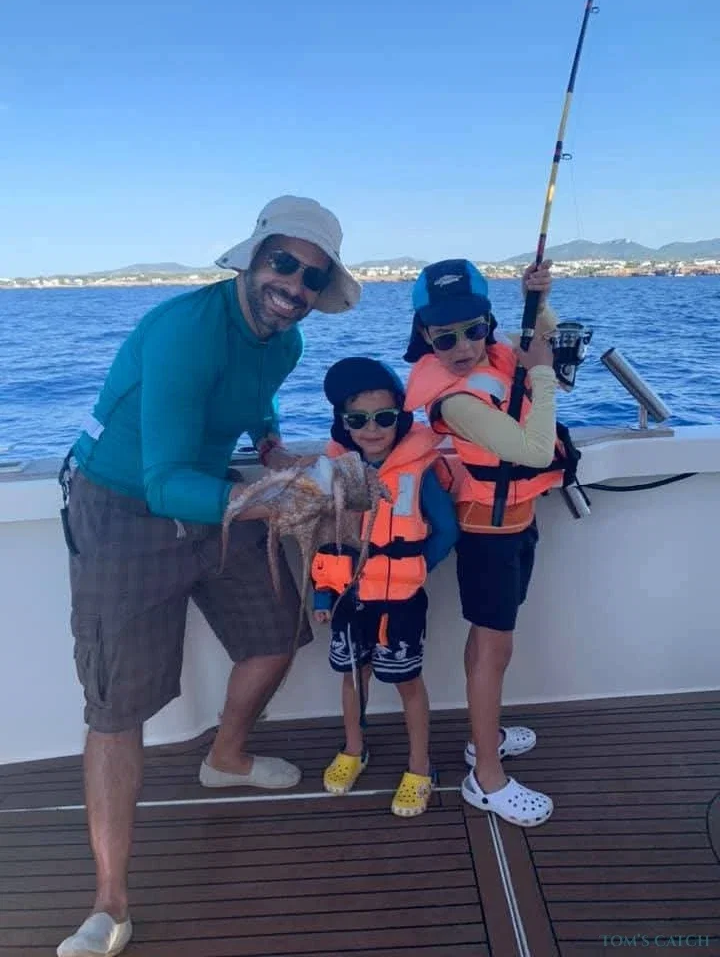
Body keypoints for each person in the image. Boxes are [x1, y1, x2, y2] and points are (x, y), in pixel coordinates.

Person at [56, 196, 361, 957]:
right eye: (283, 263)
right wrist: (275, 500)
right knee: (116, 706)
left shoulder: (285, 343)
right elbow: (163, 485)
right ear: (253, 258)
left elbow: (256, 396)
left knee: (277, 634)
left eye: (312, 277)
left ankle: (225, 757)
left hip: (213, 494)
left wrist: (272, 448)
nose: (294, 286)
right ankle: (110, 903)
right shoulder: (184, 330)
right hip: (122, 504)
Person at [404, 258, 570, 828]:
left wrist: (539, 300)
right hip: (487, 536)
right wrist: (540, 373)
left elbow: (549, 347)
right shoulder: (455, 400)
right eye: (444, 337)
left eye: (473, 329)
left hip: (516, 523)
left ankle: (484, 739)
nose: (462, 346)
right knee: (494, 650)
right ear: (425, 336)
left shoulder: (496, 357)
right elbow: (534, 451)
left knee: (492, 642)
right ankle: (487, 778)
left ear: (489, 323)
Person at [310, 357, 459, 817]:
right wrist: (322, 594)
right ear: (343, 423)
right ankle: (354, 749)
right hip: (348, 599)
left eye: (384, 418)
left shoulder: (419, 470)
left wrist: (415, 566)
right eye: (357, 420)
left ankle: (420, 766)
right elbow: (325, 537)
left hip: (400, 602)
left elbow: (446, 530)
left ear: (401, 418)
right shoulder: (335, 470)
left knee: (407, 682)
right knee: (353, 677)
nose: (371, 429)